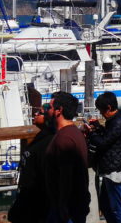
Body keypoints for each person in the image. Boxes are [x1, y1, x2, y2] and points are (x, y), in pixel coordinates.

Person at [8, 89, 54, 223]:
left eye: (40, 113)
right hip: (26, 192)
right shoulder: (39, 137)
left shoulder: (49, 141)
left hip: (36, 195)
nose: (36, 114)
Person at [44, 92, 90, 223]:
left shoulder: (64, 139)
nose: (47, 110)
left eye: (50, 107)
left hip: (66, 210)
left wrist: (63, 207)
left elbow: (66, 176)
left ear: (59, 110)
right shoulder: (74, 132)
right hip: (72, 206)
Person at [87, 92, 121, 223]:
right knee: (106, 205)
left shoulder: (118, 122)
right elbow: (109, 137)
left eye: (101, 110)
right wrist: (98, 127)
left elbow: (103, 142)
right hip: (110, 168)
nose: (101, 113)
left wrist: (91, 133)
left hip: (115, 170)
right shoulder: (114, 121)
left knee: (116, 207)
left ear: (109, 107)